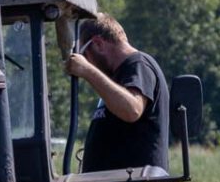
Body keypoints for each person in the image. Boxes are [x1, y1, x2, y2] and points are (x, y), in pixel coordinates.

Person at [63, 12, 171, 173]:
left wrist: (87, 70)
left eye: (84, 54)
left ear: (98, 44)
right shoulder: (120, 76)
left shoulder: (138, 64)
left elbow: (132, 110)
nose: (86, 60)